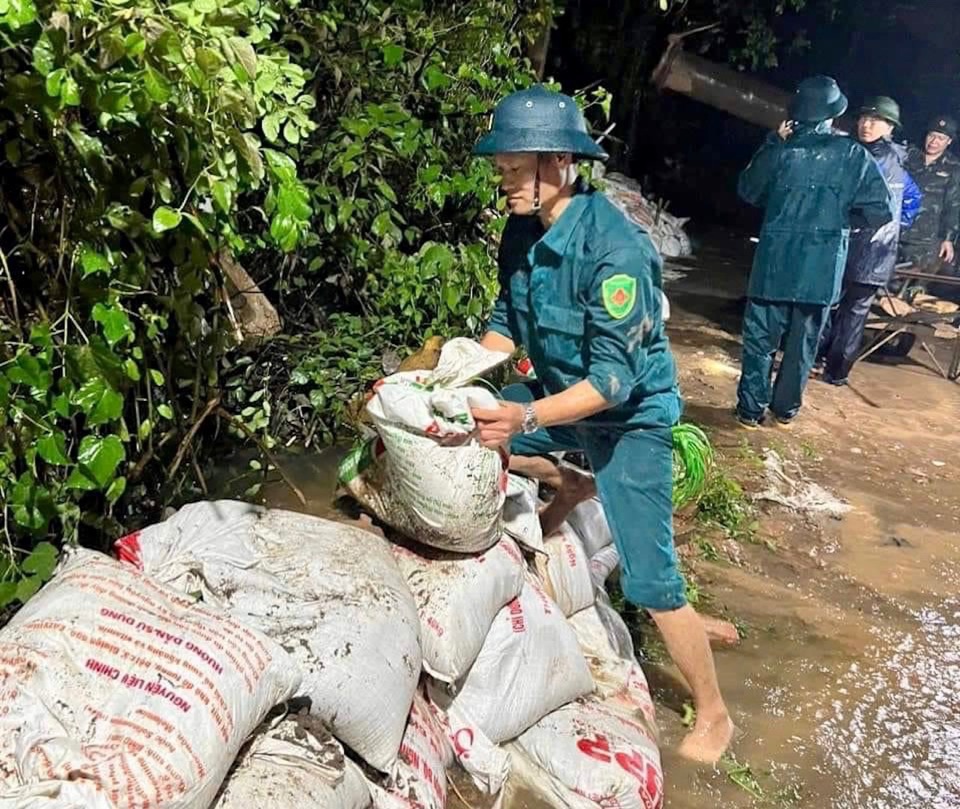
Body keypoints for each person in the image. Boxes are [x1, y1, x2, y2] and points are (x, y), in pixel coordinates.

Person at [467, 85, 734, 764]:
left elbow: (612, 383)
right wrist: (452, 375)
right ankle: (573, 483)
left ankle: (715, 712)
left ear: (557, 161)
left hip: (628, 421)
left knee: (649, 578)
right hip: (560, 399)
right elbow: (506, 321)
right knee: (470, 434)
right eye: (499, 169)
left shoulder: (619, 252)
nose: (502, 183)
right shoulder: (522, 232)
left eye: (510, 168)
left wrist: (521, 412)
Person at [735, 76, 892, 428]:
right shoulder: (854, 155)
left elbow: (748, 191)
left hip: (774, 263)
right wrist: (839, 224)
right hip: (821, 268)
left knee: (760, 341)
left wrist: (774, 141)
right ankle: (784, 410)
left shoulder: (779, 151)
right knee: (801, 346)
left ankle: (749, 410)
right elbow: (879, 210)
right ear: (833, 116)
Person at [818, 96, 922, 385]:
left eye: (875, 120)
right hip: (878, 255)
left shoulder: (865, 157)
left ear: (890, 127)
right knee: (854, 314)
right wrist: (895, 226)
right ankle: (835, 372)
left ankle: (818, 360)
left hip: (853, 247)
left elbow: (845, 200)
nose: (866, 124)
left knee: (830, 306)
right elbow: (913, 199)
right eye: (864, 118)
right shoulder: (898, 161)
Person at [899, 116, 960, 278]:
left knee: (910, 285)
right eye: (931, 135)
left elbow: (954, 205)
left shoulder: (954, 168)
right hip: (896, 231)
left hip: (924, 240)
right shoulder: (908, 156)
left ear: (949, 142)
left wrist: (948, 239)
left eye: (941, 138)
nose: (934, 141)